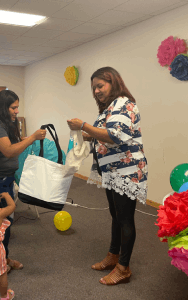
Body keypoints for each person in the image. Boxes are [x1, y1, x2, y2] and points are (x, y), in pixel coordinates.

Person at [67, 67, 148, 285]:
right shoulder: (109, 108)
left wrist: (83, 125)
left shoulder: (123, 103)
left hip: (126, 171)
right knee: (116, 215)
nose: (96, 91)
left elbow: (114, 136)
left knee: (125, 219)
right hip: (112, 170)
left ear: (113, 83)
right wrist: (86, 134)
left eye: (100, 86)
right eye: (93, 88)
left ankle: (123, 268)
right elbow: (106, 135)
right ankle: (113, 256)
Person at [0, 89, 46, 272]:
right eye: (13, 107)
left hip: (4, 180)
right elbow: (8, 150)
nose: (17, 111)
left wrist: (26, 139)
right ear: (2, 107)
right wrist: (32, 138)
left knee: (5, 223)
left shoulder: (6, 122)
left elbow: (12, 142)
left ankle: (3, 258)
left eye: (17, 107)